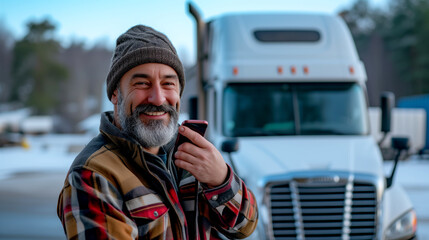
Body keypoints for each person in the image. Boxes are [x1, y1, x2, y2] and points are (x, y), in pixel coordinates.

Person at [57, 25, 258, 239]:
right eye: (142, 83)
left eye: (168, 83)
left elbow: (244, 227)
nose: (158, 98)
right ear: (115, 94)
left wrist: (221, 180)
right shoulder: (94, 175)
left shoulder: (193, 157)